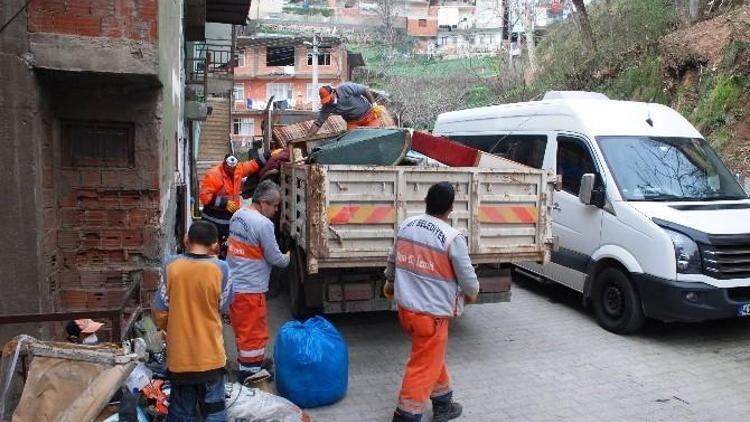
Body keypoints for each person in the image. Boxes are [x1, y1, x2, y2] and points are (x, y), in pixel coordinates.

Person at [384, 182, 480, 422]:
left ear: (426, 201)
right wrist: (472, 292)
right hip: (432, 315)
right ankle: (406, 414)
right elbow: (467, 276)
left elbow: (393, 259)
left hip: (406, 309)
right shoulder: (451, 237)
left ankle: (443, 401)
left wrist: (389, 280)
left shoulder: (407, 225)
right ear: (450, 209)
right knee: (422, 365)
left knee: (430, 356)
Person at [152, 221, 232, 422]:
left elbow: (160, 310)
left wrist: (172, 327)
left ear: (186, 239)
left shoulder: (171, 266)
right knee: (214, 410)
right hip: (211, 355)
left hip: (181, 357)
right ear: (215, 244)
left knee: (181, 411)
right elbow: (223, 306)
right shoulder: (222, 269)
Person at [227, 180, 290, 382]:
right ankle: (250, 373)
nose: (276, 209)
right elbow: (275, 258)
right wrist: (289, 257)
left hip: (235, 285)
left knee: (242, 329)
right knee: (253, 333)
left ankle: (251, 363)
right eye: (274, 205)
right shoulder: (264, 224)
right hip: (251, 289)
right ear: (263, 203)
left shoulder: (238, 215)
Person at [199, 151, 280, 249]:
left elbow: (254, 164)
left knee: (227, 248)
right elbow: (204, 196)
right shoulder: (214, 175)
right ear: (224, 164)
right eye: (229, 169)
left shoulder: (238, 169)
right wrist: (224, 203)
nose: (232, 171)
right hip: (212, 220)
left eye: (234, 168)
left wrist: (270, 154)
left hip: (229, 219)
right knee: (210, 247)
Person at [307, 82, 384, 135]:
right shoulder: (327, 107)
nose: (328, 102)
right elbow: (317, 123)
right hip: (353, 122)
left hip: (369, 116)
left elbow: (364, 90)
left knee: (373, 136)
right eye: (325, 101)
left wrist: (374, 105)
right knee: (352, 142)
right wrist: (308, 137)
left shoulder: (345, 88)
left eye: (329, 99)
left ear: (333, 92)